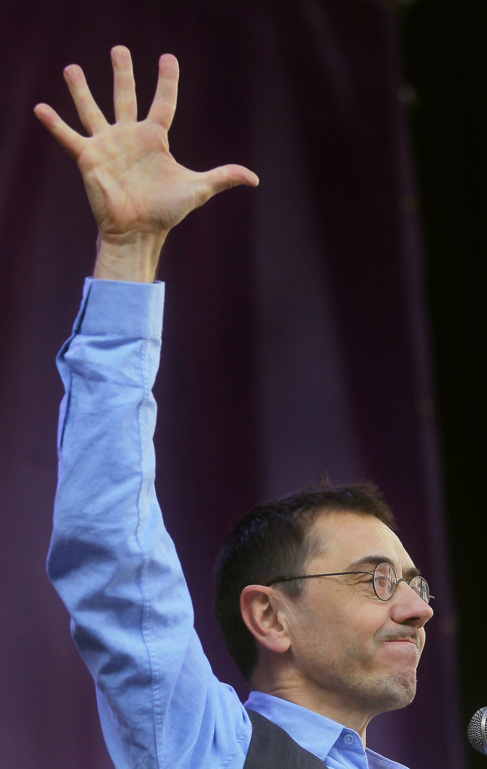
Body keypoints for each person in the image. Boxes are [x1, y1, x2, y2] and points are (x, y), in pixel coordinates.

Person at [35, 46, 433, 769]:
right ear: (268, 614)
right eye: (376, 578)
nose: (415, 607)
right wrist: (130, 249)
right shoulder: (209, 745)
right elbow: (111, 549)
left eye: (411, 583)